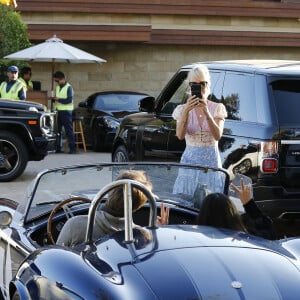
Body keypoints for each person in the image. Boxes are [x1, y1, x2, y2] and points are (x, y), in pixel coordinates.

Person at [56, 170, 153, 247]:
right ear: (138, 206)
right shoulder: (142, 236)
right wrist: (157, 230)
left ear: (110, 190)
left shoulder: (74, 224)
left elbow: (57, 257)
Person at [172, 64, 228, 196]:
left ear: (208, 85)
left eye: (203, 83)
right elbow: (180, 135)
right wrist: (186, 111)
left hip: (212, 164)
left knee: (213, 203)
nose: (200, 88)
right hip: (189, 163)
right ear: (190, 87)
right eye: (194, 85)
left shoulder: (217, 108)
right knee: (186, 203)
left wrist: (207, 112)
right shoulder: (181, 109)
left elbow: (217, 135)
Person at [159, 179, 276, 240]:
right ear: (232, 215)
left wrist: (163, 230)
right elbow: (268, 234)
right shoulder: (244, 239)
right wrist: (249, 204)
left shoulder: (193, 241)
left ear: (203, 215)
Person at [51, 71, 76, 154]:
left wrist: (58, 99)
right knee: (58, 131)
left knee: (68, 130)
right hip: (58, 111)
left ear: (62, 79)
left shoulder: (69, 87)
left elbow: (69, 100)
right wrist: (53, 99)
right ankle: (58, 148)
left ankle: (72, 149)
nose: (56, 82)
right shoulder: (58, 87)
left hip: (66, 111)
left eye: (57, 81)